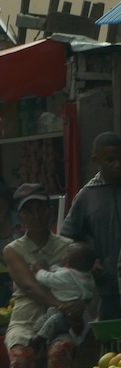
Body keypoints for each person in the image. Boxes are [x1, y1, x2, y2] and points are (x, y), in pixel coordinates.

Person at [3, 183, 86, 368]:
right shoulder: (13, 250)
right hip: (26, 318)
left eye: (41, 208)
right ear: (21, 217)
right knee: (20, 357)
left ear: (50, 212)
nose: (37, 215)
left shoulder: (69, 247)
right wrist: (61, 303)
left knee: (60, 352)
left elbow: (82, 281)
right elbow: (29, 287)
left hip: (61, 319)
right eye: (29, 211)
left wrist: (75, 307)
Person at [60, 131, 121, 319]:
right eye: (110, 160)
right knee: (112, 342)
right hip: (108, 287)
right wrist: (88, 260)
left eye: (120, 158)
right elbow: (67, 238)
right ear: (96, 160)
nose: (117, 164)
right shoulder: (87, 196)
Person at [35, 241, 97, 341]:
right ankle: (40, 330)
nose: (63, 255)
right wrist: (52, 267)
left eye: (66, 252)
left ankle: (39, 339)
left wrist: (40, 270)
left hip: (66, 310)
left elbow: (48, 279)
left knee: (53, 320)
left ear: (68, 261)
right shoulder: (86, 276)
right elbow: (61, 271)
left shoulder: (66, 276)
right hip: (79, 310)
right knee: (50, 314)